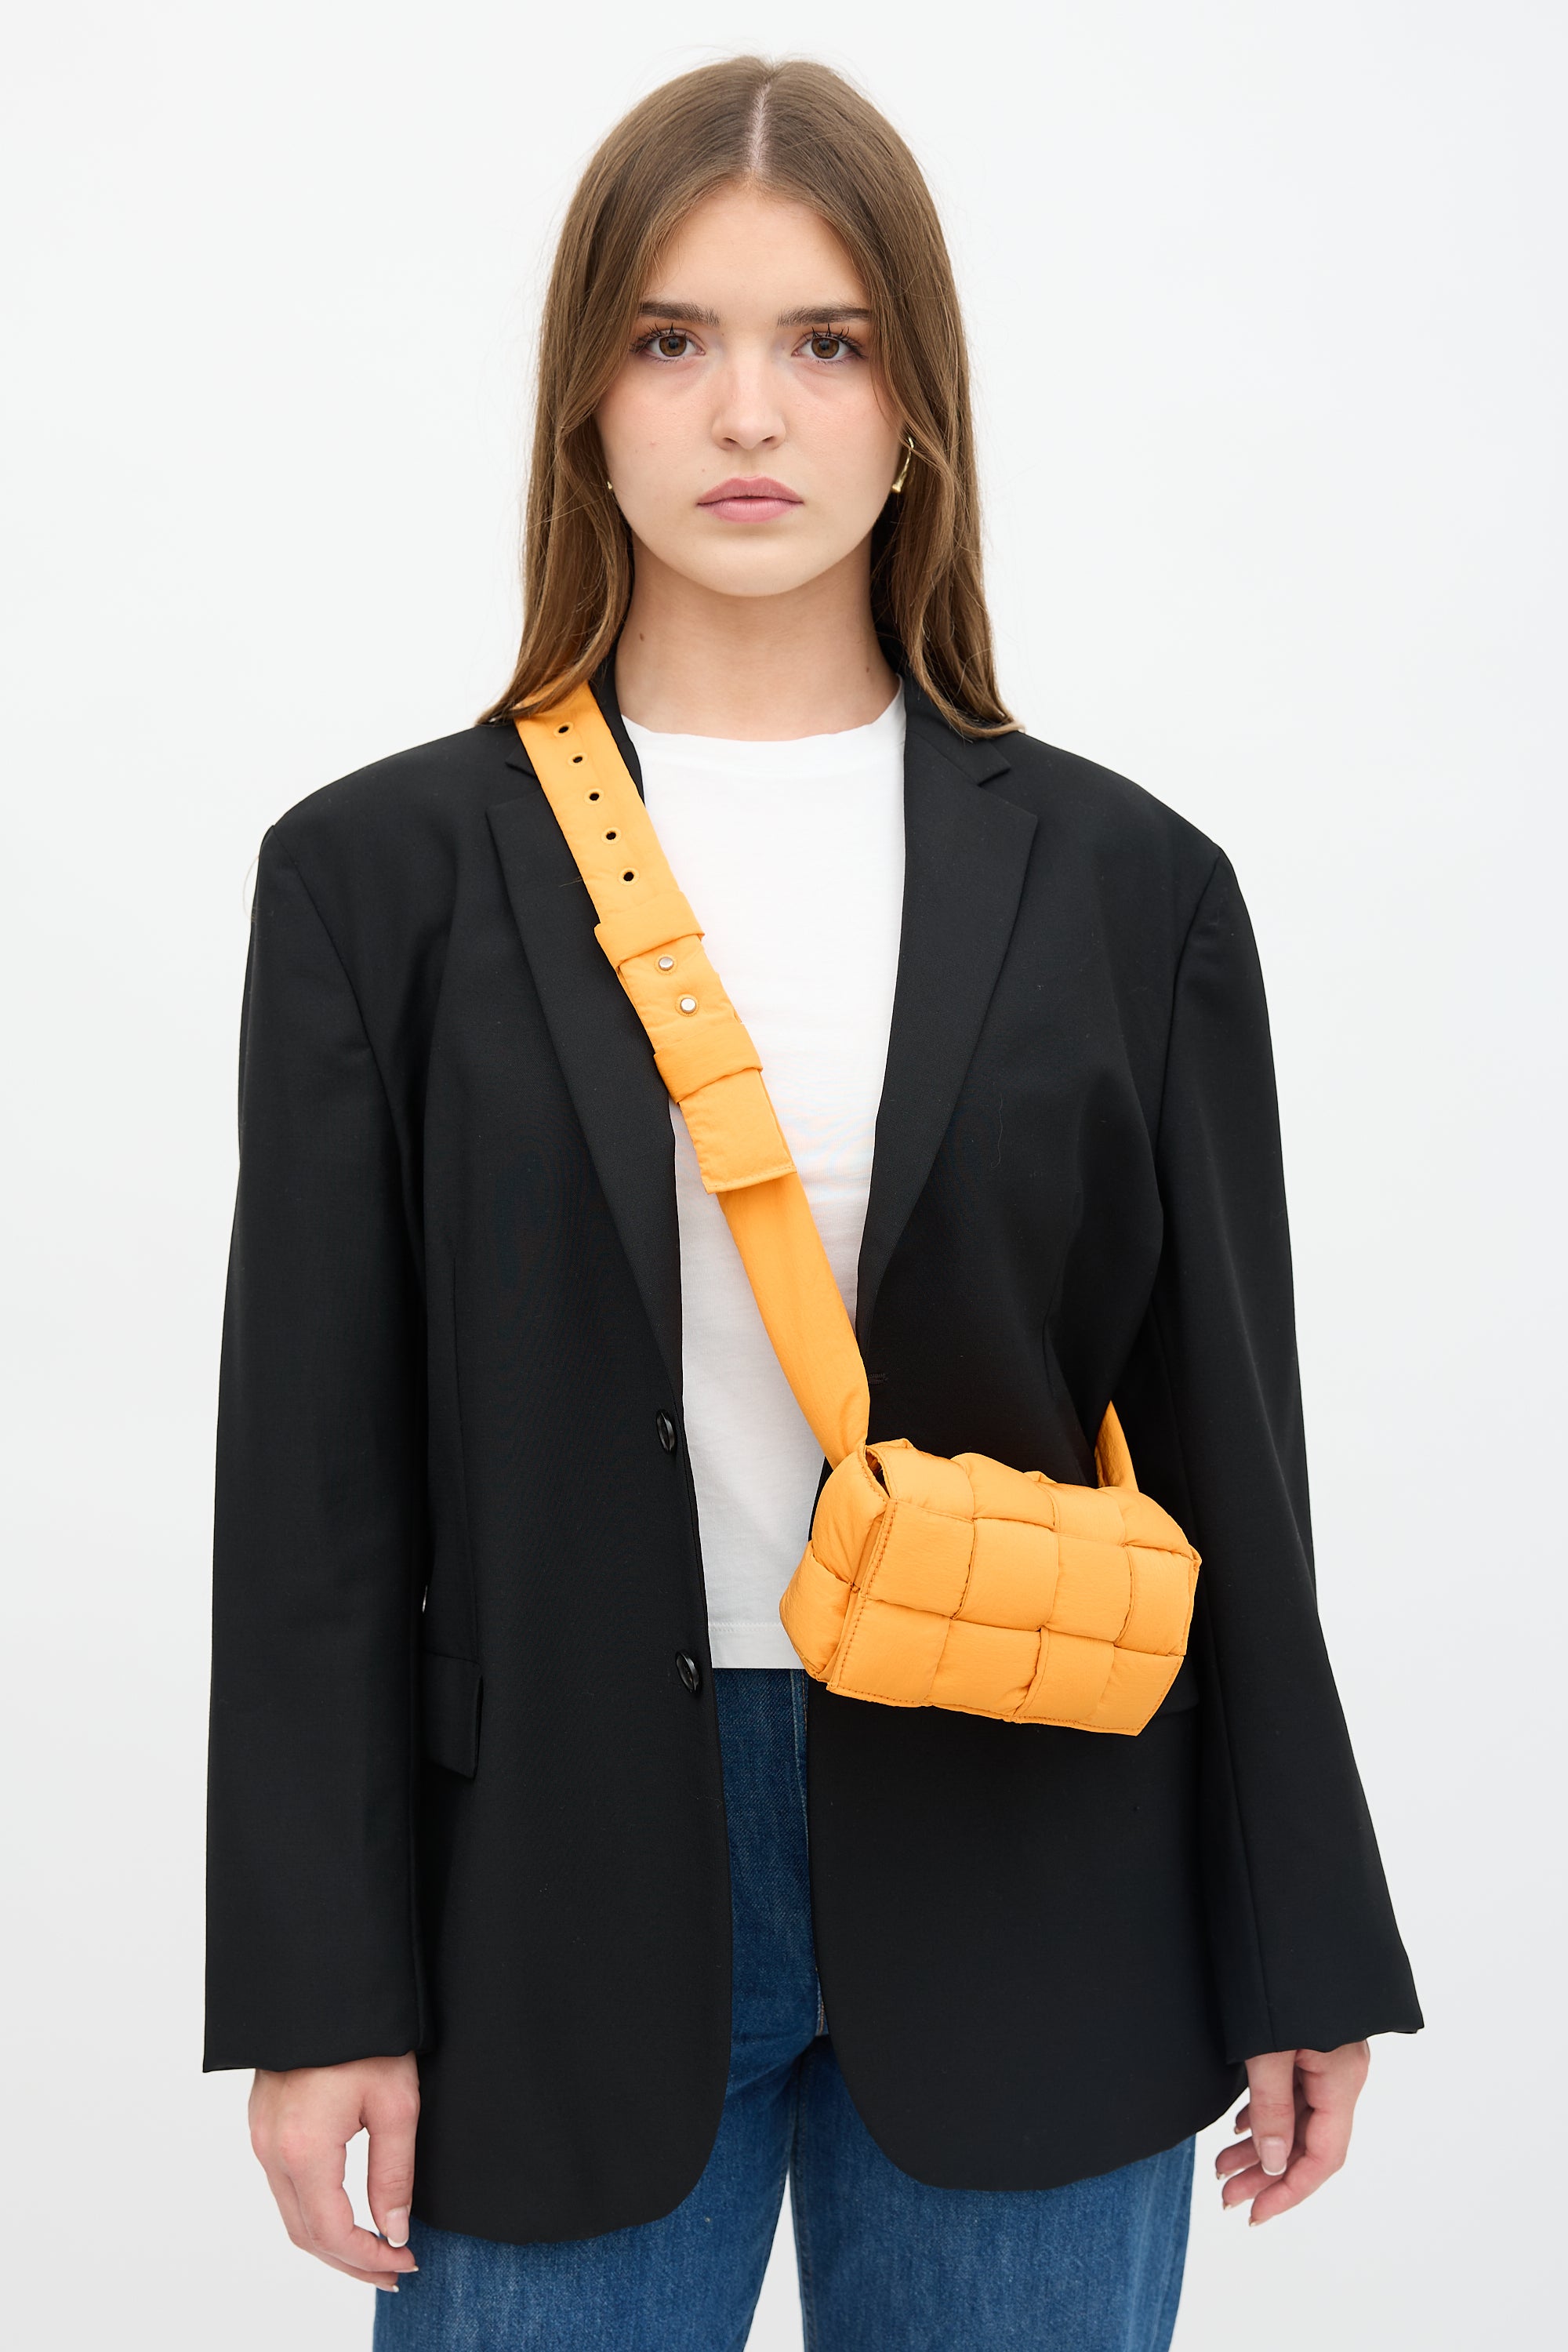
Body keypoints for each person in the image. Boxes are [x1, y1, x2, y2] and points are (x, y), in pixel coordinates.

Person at [205, 54, 1421, 2352]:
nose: (745, 411)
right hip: (542, 1896)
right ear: (583, 403)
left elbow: (1231, 1448)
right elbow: (315, 1490)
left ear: (915, 409)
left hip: (1048, 1864)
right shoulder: (381, 880)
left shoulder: (1131, 886)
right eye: (671, 338)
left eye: (825, 342)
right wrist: (314, 1985)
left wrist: (1300, 1941)